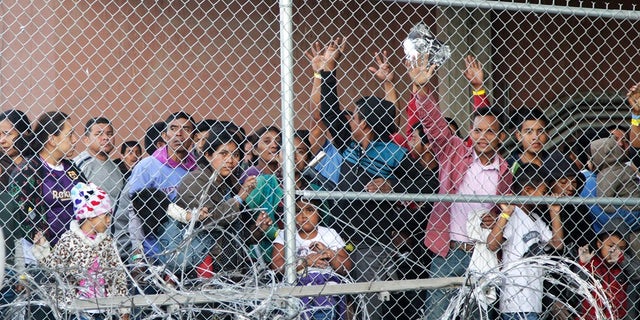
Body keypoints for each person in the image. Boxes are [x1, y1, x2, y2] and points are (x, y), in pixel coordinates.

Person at [312, 38, 417, 320]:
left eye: (356, 118)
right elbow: (329, 113)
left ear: (367, 125)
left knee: (371, 306)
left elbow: (425, 185)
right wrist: (330, 69)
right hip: (339, 238)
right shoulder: (350, 146)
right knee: (340, 304)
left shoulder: (395, 153)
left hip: (373, 242)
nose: (350, 122)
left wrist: (391, 185)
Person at [413, 54, 512, 320]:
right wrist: (422, 89)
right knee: (436, 314)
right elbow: (435, 127)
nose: (482, 137)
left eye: (490, 132)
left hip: (482, 254)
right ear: (470, 132)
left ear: (501, 137)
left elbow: (506, 209)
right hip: (449, 250)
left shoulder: (505, 171)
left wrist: (496, 217)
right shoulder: (455, 152)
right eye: (477, 131)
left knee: (479, 315)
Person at [158, 128, 262, 276]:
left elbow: (240, 235)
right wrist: (240, 197)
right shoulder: (195, 180)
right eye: (224, 154)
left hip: (230, 267)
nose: (231, 160)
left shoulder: (230, 183)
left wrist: (259, 229)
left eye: (236, 155)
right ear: (208, 155)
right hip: (198, 268)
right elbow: (211, 220)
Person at [32, 182, 129, 320]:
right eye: (105, 215)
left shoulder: (107, 242)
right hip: (78, 309)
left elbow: (117, 276)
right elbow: (53, 267)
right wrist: (42, 249)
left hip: (106, 309)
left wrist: (123, 309)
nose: (109, 221)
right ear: (90, 215)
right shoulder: (69, 240)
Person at [113, 112, 197, 262]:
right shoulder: (147, 166)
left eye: (186, 129)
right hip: (152, 252)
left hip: (188, 250)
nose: (179, 133)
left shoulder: (196, 169)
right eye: (174, 128)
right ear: (165, 136)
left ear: (194, 137)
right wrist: (137, 256)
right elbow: (134, 213)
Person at [487, 164, 564, 320]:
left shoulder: (536, 219)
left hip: (534, 298)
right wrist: (505, 214)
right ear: (528, 191)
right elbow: (492, 244)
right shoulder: (514, 215)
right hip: (514, 300)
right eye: (543, 192)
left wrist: (554, 212)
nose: (546, 197)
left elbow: (557, 244)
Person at [271, 197, 353, 320]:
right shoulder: (285, 234)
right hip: (297, 281)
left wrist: (329, 254)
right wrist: (306, 262)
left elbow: (346, 267)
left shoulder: (329, 233)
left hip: (327, 282)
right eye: (298, 211)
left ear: (319, 212)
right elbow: (276, 266)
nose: (303, 216)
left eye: (309, 210)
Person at [0, 109, 32, 263]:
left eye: (7, 133)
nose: (2, 140)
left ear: (24, 133)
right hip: (8, 242)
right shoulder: (2, 166)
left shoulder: (37, 164)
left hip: (36, 240)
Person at [577, 229, 628, 320]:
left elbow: (637, 275)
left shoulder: (623, 267)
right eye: (611, 246)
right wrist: (583, 264)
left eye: (621, 248)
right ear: (599, 244)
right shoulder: (592, 262)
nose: (614, 251)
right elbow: (574, 286)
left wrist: (622, 260)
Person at [73, 117, 124, 206]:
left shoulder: (115, 167)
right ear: (86, 140)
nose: (105, 138)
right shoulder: (81, 164)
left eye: (109, 134)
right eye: (99, 134)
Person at [507, 108, 550, 174]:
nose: (535, 137)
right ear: (519, 136)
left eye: (540, 131)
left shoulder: (554, 161)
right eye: (529, 132)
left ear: (547, 133)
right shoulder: (509, 166)